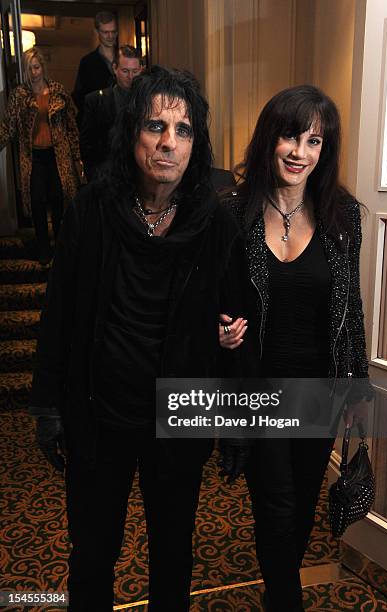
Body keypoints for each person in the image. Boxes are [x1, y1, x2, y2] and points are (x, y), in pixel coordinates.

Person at [30, 66, 253, 612]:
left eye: (182, 130)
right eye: (155, 126)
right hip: (100, 411)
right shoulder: (92, 210)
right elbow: (58, 312)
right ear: (133, 133)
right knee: (92, 554)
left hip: (180, 414)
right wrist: (48, 406)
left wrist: (236, 415)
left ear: (195, 143)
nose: (167, 143)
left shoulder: (214, 221)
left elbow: (241, 317)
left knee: (173, 555)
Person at [218, 85, 373, 612]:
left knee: (302, 502)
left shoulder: (342, 216)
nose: (299, 152)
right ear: (270, 138)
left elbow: (349, 306)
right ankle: (285, 599)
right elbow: (214, 298)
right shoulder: (234, 214)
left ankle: (277, 589)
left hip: (319, 393)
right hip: (259, 387)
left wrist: (357, 387)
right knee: (275, 501)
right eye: (290, 135)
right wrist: (220, 332)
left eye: (314, 141)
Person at [0, 47, 81, 264]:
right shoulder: (20, 95)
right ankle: (44, 249)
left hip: (57, 155)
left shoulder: (58, 91)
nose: (34, 73)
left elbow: (72, 127)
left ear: (43, 67)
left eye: (36, 67)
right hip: (33, 157)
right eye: (29, 69)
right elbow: (8, 127)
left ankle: (61, 248)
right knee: (36, 201)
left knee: (58, 199)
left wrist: (77, 158)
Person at [80, 45, 143, 181]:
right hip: (106, 178)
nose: (131, 77)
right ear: (115, 69)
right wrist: (95, 175)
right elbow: (86, 145)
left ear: (141, 70)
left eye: (135, 71)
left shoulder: (148, 102)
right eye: (125, 71)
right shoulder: (95, 101)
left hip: (140, 178)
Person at [72, 11, 118, 126]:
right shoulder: (87, 62)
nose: (110, 36)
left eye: (113, 32)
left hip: (122, 124)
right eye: (106, 32)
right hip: (97, 126)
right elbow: (79, 95)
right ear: (96, 32)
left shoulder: (125, 58)